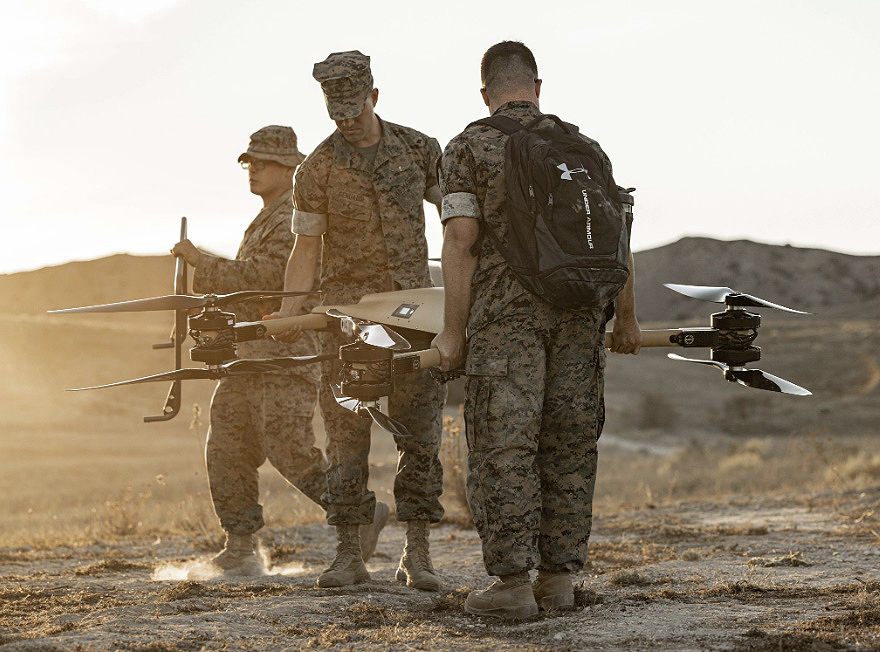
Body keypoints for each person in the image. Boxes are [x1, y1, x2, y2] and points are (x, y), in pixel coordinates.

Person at [433, 41, 641, 618]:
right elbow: (619, 235)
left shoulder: (469, 145)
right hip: (581, 315)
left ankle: (511, 586)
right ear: (537, 87)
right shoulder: (584, 147)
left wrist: (453, 333)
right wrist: (626, 318)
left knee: (506, 445)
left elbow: (460, 239)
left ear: (486, 93)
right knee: (570, 445)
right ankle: (559, 581)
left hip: (508, 319)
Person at [170, 126, 386, 576]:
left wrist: (200, 263)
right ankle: (241, 547)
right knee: (226, 445)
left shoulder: (293, 214)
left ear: (290, 168)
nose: (252, 170)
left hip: (288, 354)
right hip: (247, 356)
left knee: (290, 447)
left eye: (263, 162)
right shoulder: (266, 216)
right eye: (249, 162)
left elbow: (267, 276)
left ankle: (362, 513)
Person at [271, 51, 446, 591]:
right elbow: (306, 247)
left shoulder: (420, 150)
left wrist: (467, 287)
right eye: (337, 111)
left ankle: (417, 555)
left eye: (354, 107)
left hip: (414, 315)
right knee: (346, 437)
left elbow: (456, 219)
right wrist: (288, 310)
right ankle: (349, 554)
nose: (347, 120)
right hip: (347, 322)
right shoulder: (317, 167)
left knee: (420, 438)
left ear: (375, 95)